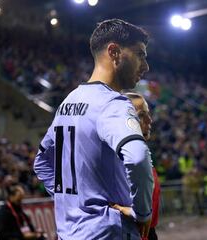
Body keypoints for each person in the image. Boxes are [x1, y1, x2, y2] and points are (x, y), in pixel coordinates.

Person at [34, 19, 154, 240]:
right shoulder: (112, 103)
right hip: (106, 232)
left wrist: (71, 199)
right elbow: (137, 157)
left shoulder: (68, 103)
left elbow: (41, 163)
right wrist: (143, 213)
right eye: (140, 54)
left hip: (68, 233)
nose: (145, 66)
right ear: (114, 51)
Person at [112, 92, 160, 240]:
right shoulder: (120, 159)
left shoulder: (140, 153)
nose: (149, 120)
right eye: (141, 115)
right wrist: (122, 210)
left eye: (148, 114)